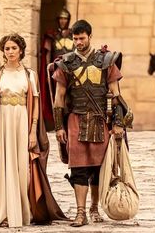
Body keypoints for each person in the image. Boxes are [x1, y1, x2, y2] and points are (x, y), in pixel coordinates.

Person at [0, 33, 66, 228]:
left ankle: (21, 210)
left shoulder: (29, 75)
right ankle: (3, 213)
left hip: (22, 121)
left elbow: (35, 103)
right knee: (2, 165)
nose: (10, 52)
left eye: (13, 48)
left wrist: (33, 131)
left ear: (21, 51)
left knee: (21, 167)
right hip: (2, 121)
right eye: (7, 48)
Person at [52, 20, 132, 227]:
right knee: (78, 168)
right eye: (75, 39)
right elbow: (59, 97)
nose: (78, 42)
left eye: (81, 38)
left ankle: (94, 209)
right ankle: (80, 213)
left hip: (101, 121)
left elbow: (116, 95)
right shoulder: (65, 64)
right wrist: (59, 126)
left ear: (89, 36)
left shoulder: (106, 60)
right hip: (76, 120)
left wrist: (118, 123)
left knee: (98, 169)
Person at [39, 7, 73, 131]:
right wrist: (47, 72)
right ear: (58, 20)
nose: (63, 21)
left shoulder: (73, 36)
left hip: (71, 72)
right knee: (57, 98)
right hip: (56, 72)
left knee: (71, 98)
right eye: (61, 19)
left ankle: (69, 123)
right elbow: (47, 55)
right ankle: (58, 125)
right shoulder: (53, 36)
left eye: (65, 19)